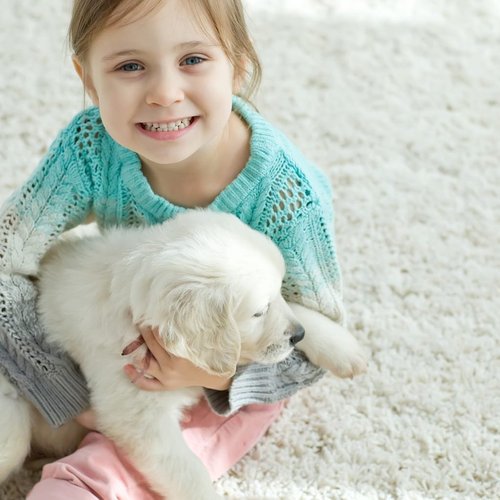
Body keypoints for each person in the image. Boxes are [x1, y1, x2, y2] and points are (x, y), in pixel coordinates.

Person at [0, 0, 345, 497]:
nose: (164, 94)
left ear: (238, 65)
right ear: (89, 78)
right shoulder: (91, 148)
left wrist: (212, 374)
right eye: (130, 66)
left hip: (239, 369)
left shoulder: (285, 192)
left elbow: (311, 343)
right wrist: (59, 387)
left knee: (122, 459)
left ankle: (87, 482)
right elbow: (7, 255)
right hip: (109, 336)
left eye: (193, 60)